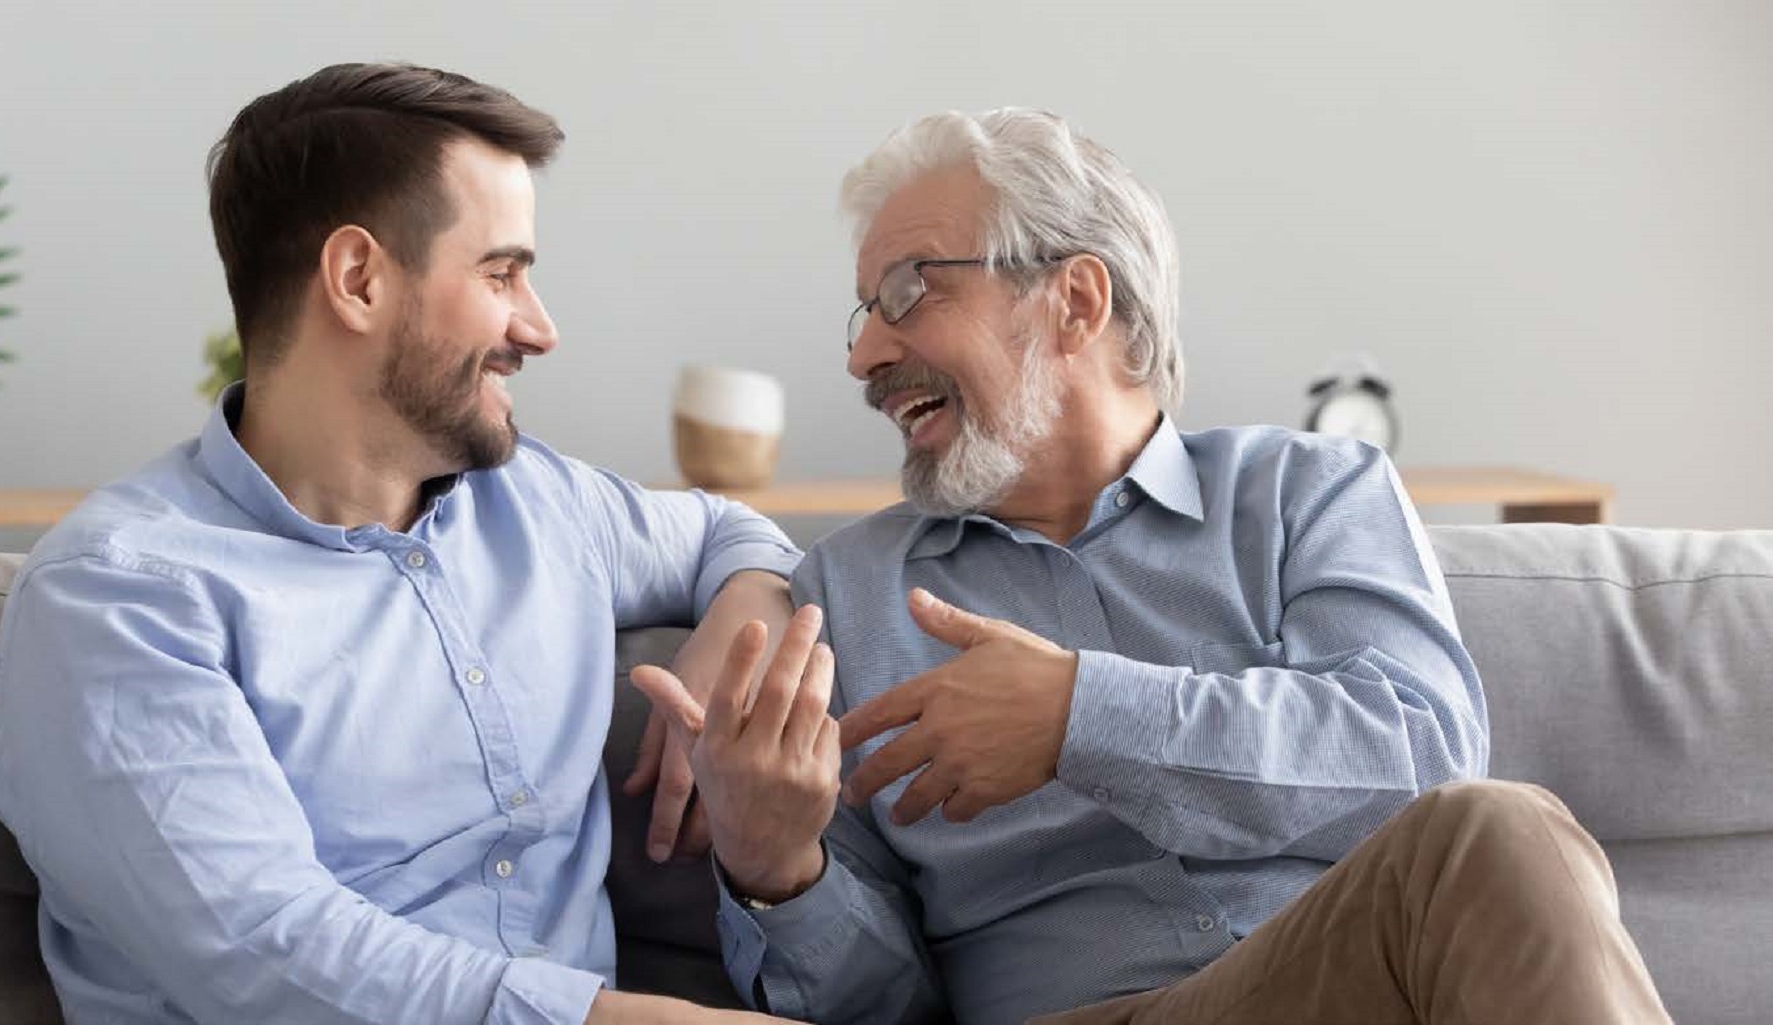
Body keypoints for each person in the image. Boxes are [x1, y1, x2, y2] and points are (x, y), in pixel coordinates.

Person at [634, 107, 1674, 1025]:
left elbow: (1423, 750)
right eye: (863, 315)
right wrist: (780, 871)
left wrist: (1080, 717)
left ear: (1075, 300)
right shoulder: (842, 594)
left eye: (906, 292)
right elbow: (881, 1003)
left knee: (1488, 829)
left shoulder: (1307, 492)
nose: (862, 356)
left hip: (1354, 984)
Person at [0, 62, 805, 1025]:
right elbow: (270, 952)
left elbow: (730, 531)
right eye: (502, 272)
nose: (540, 327)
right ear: (358, 279)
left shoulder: (537, 504)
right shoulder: (119, 597)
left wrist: (735, 623)